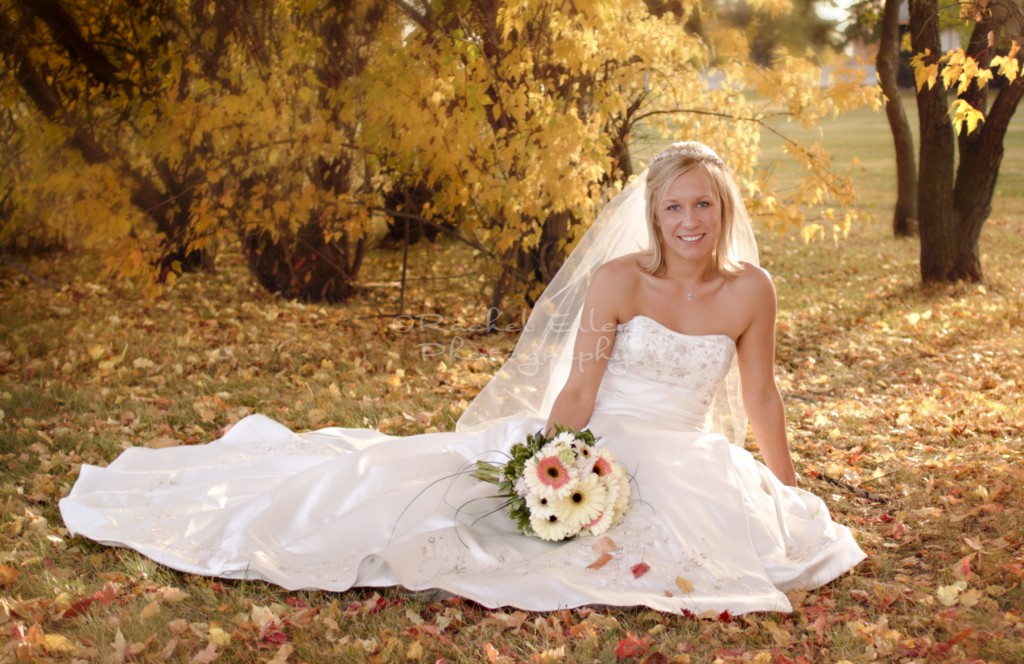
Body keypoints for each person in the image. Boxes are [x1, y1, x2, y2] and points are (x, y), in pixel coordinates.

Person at [60, 142, 865, 615]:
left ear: (723, 210)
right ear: (654, 216)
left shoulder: (751, 289)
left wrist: (790, 491)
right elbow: (581, 387)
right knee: (426, 498)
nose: (690, 223)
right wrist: (551, 466)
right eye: (673, 209)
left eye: (704, 207)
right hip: (598, 446)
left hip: (687, 456)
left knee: (729, 543)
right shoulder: (620, 281)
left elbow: (760, 396)